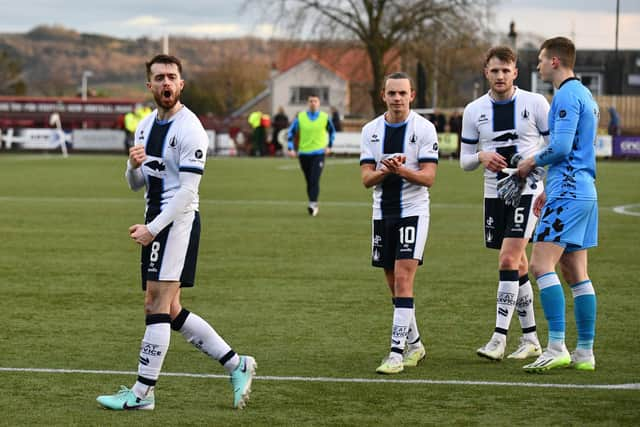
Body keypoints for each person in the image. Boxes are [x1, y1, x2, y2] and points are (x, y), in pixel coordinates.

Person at [96, 54, 256, 411]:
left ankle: (142, 393)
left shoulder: (191, 128)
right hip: (155, 219)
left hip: (177, 223)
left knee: (155, 304)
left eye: (172, 77)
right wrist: (131, 165)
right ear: (149, 85)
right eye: (159, 78)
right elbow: (137, 184)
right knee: (169, 309)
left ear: (181, 84)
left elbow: (186, 192)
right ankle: (237, 364)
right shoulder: (144, 126)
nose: (166, 83)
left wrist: (153, 229)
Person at [460, 46, 550, 361]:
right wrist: (481, 156)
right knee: (519, 263)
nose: (500, 76)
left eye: (506, 70)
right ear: (486, 72)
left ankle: (498, 339)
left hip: (528, 189)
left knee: (508, 259)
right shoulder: (473, 110)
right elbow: (464, 162)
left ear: (516, 73)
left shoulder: (536, 103)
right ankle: (531, 339)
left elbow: (557, 147)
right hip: (494, 192)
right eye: (494, 70)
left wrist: (545, 187)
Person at [516, 37, 599, 372]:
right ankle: (584, 352)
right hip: (584, 190)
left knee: (539, 265)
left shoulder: (565, 94)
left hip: (568, 189)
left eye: (540, 60)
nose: (536, 66)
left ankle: (555, 346)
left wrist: (530, 162)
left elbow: (562, 147)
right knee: (576, 272)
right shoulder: (586, 95)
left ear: (554, 61)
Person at [360, 72, 438, 374]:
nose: (397, 98)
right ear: (383, 95)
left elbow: (429, 178)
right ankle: (416, 343)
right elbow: (366, 179)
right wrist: (387, 171)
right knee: (394, 284)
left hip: (414, 212)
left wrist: (402, 171)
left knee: (405, 279)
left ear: (412, 95)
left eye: (402, 93)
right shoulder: (371, 130)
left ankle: (395, 353)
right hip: (382, 213)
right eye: (392, 93)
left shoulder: (424, 129)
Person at [287, 93, 336, 216]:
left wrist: (329, 147)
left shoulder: (325, 117)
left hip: (319, 153)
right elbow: (291, 132)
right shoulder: (301, 117)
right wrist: (290, 148)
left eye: (315, 101)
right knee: (309, 181)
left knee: (314, 179)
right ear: (307, 103)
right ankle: (312, 203)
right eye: (310, 101)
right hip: (303, 154)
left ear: (319, 103)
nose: (313, 103)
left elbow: (332, 132)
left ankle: (313, 204)